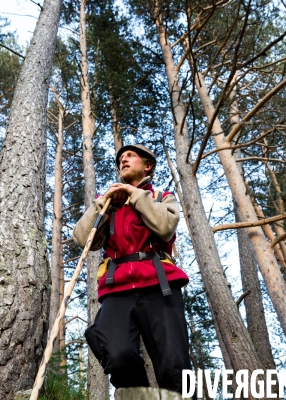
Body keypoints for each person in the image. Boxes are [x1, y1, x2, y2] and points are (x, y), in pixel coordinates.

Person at [73, 144, 192, 394]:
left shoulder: (161, 197)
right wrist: (103, 202)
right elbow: (84, 239)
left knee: (174, 365)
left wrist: (134, 194)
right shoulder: (108, 204)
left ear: (147, 166)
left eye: (130, 156)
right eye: (120, 159)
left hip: (160, 285)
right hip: (117, 289)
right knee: (117, 356)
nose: (123, 160)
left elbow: (165, 226)